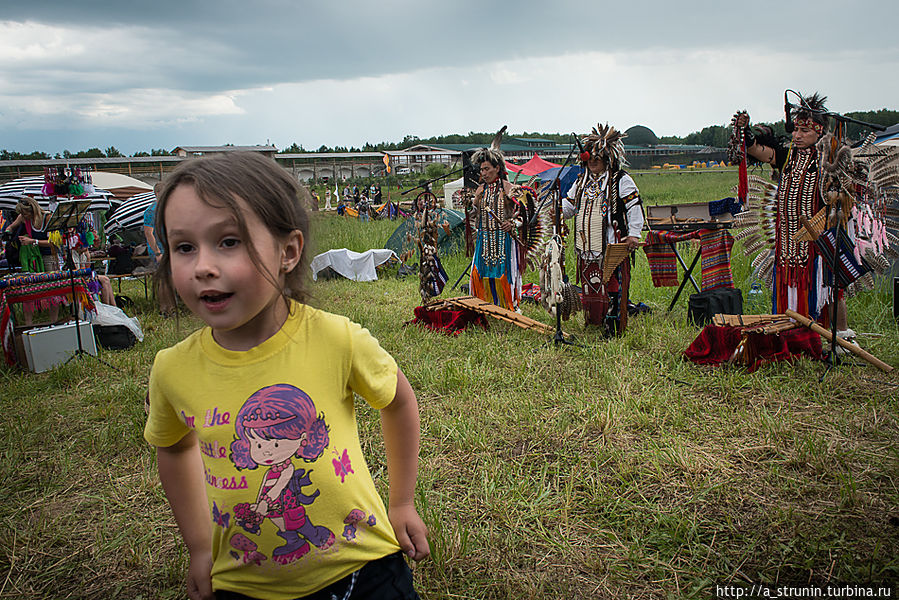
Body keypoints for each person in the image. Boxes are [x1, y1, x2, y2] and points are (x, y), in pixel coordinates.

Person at [143, 152, 429, 600]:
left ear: (288, 252)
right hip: (242, 582)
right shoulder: (172, 369)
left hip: (364, 568)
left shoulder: (337, 339)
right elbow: (174, 450)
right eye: (184, 247)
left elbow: (398, 400)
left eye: (229, 241)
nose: (202, 266)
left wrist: (402, 502)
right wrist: (200, 548)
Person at [734, 92, 853, 341]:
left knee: (829, 288)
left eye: (804, 132)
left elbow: (846, 198)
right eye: (795, 130)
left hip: (819, 239)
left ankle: (840, 337)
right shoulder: (788, 156)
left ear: (819, 131)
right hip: (788, 240)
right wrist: (745, 131)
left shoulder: (829, 158)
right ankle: (792, 332)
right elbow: (757, 150)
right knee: (789, 282)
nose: (797, 136)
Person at [562, 124, 644, 333]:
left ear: (608, 158)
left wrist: (634, 234)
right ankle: (594, 320)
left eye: (598, 157)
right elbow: (569, 207)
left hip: (611, 243)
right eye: (590, 157)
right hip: (586, 245)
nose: (592, 161)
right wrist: (553, 207)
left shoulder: (619, 180)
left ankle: (613, 324)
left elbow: (634, 206)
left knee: (611, 285)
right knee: (591, 283)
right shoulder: (582, 181)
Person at [468, 135, 532, 312]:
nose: (483, 173)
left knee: (504, 274)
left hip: (504, 240)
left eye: (487, 169)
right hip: (484, 240)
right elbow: (473, 213)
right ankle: (484, 306)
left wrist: (513, 223)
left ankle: (509, 306)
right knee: (482, 274)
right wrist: (469, 205)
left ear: (497, 168)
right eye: (481, 169)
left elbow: (526, 214)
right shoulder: (481, 190)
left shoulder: (509, 188)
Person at [5, 196, 63, 324]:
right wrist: (8, 232)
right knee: (29, 290)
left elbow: (54, 242)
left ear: (32, 210)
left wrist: (33, 241)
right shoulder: (23, 218)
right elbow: (11, 227)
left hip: (49, 257)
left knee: (52, 289)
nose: (23, 217)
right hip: (33, 258)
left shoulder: (47, 218)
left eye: (25, 213)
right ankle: (28, 323)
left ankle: (53, 321)